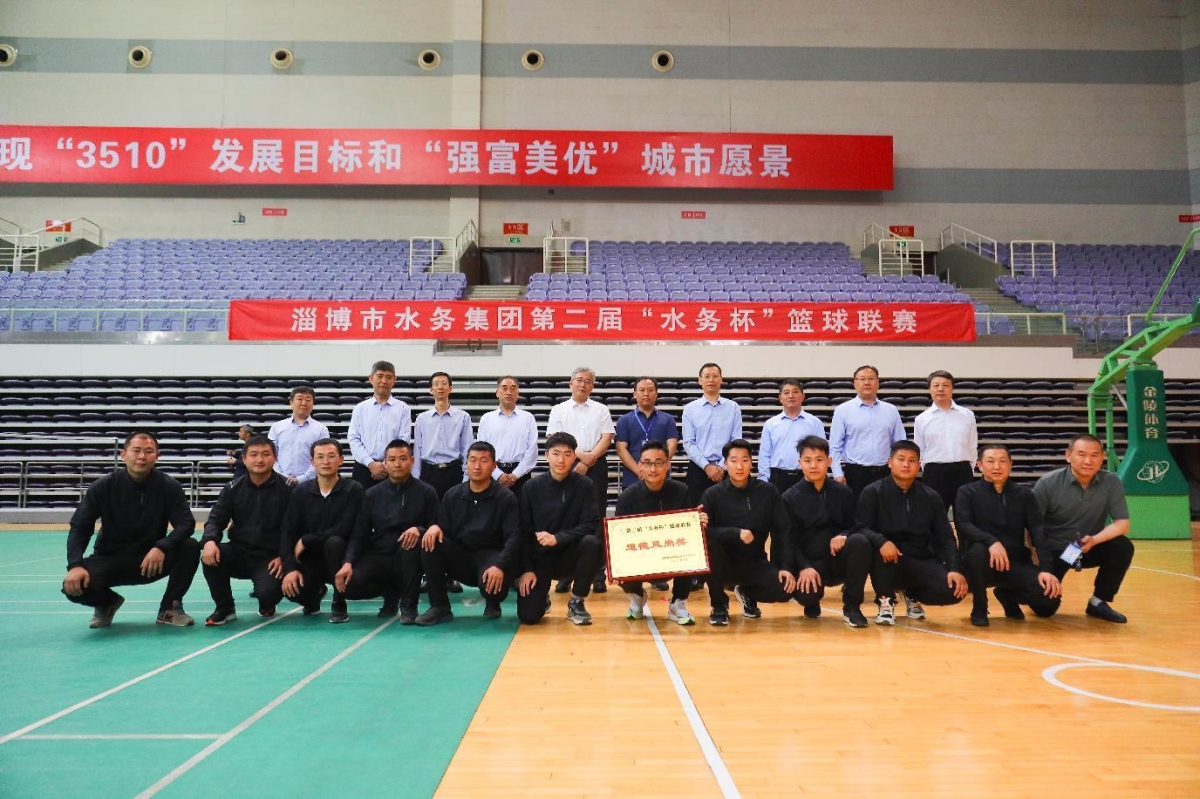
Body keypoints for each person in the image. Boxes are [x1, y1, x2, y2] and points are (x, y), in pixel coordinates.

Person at [62, 431, 199, 628]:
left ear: (157, 456)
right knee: (74, 585)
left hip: (150, 561)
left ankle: (169, 608)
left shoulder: (170, 487)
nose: (142, 456)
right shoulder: (102, 487)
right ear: (123, 454)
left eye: (148, 451)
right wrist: (75, 565)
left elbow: (186, 524)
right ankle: (107, 602)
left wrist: (161, 546)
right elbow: (80, 527)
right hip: (110, 559)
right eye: (136, 450)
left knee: (189, 547)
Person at [780, 435, 891, 629]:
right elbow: (789, 540)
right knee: (807, 596)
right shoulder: (789, 497)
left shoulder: (844, 492)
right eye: (807, 460)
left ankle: (852, 606)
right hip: (811, 565)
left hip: (838, 560)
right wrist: (804, 566)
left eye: (819, 460)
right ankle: (812, 602)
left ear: (829, 461)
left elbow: (857, 525)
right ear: (799, 463)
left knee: (860, 541)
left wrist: (844, 535)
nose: (813, 465)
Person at [856, 440, 967, 624]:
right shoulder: (873, 492)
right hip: (885, 559)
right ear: (890, 462)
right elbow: (860, 527)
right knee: (875, 549)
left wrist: (955, 569)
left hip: (920, 559)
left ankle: (911, 593)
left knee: (953, 590)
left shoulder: (930, 496)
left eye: (912, 460)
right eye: (901, 459)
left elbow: (945, 537)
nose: (906, 464)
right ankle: (885, 601)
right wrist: (882, 541)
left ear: (919, 464)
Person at [333, 439, 439, 625]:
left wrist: (420, 530)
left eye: (403, 459)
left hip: (411, 558)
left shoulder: (427, 492)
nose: (397, 464)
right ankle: (390, 593)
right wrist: (347, 562)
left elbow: (437, 526)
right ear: (385, 463)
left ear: (412, 461)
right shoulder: (372, 494)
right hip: (380, 555)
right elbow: (359, 534)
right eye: (392, 459)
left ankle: (409, 605)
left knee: (411, 546)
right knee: (349, 585)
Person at [416, 441, 521, 625]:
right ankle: (440, 607)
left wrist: (501, 566)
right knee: (430, 542)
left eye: (483, 461)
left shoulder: (506, 497)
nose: (477, 466)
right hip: (461, 557)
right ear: (466, 464)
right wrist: (434, 528)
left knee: (493, 589)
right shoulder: (452, 495)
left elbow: (514, 537)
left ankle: (493, 603)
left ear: (494, 466)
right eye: (472, 460)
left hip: (491, 558)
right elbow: (443, 528)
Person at [1032, 433, 1134, 623]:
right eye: (1081, 454)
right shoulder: (1048, 483)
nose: (1088, 461)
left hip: (1085, 547)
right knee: (1044, 608)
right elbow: (1029, 525)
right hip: (1055, 551)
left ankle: (1098, 602)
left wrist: (1095, 540)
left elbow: (1122, 523)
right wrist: (1036, 559)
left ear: (1102, 457)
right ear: (1068, 455)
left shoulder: (1111, 482)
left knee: (1122, 546)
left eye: (1094, 455)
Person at [956, 444, 1062, 626]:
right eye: (990, 461)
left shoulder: (1024, 494)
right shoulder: (967, 492)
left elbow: (1038, 531)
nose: (997, 466)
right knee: (978, 550)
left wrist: (1046, 569)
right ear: (979, 465)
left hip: (1014, 563)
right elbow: (963, 524)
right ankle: (980, 606)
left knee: (1049, 598)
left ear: (1011, 464)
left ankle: (1006, 595)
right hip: (979, 565)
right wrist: (992, 541)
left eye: (1002, 461)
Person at [701, 439, 803, 626]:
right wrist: (734, 533)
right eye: (733, 461)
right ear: (725, 463)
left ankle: (747, 593)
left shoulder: (768, 492)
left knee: (785, 590)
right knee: (710, 545)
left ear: (751, 462)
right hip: (722, 565)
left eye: (744, 460)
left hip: (755, 562)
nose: (739, 466)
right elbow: (704, 533)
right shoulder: (712, 494)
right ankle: (719, 605)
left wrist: (786, 566)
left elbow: (784, 530)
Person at [200, 434, 292, 624]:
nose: (259, 460)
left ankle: (267, 603)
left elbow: (296, 528)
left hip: (271, 558)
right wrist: (209, 541)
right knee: (211, 556)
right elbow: (215, 520)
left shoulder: (288, 489)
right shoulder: (232, 488)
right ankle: (225, 608)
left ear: (275, 458)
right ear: (244, 458)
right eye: (254, 454)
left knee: (268, 595)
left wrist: (285, 557)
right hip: (239, 552)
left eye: (265, 454)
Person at [515, 433, 603, 625]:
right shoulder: (531, 487)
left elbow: (591, 524)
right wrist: (526, 569)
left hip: (570, 555)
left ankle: (577, 601)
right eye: (556, 454)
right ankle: (542, 596)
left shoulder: (585, 485)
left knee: (591, 542)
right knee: (529, 616)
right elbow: (522, 532)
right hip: (540, 558)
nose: (561, 460)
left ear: (574, 457)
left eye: (567, 454)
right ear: (547, 455)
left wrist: (558, 538)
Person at [615, 440, 704, 626]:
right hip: (641, 556)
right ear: (640, 465)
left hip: (671, 555)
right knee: (617, 558)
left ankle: (678, 603)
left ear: (667, 465)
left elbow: (688, 531)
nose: (653, 469)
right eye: (647, 463)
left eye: (658, 463)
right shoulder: (627, 497)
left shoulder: (681, 491)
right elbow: (619, 538)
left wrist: (697, 523)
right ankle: (637, 596)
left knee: (693, 545)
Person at [546, 366, 615, 594]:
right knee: (567, 516)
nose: (583, 384)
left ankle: (597, 573)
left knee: (597, 517)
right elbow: (554, 438)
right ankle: (567, 574)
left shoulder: (601, 409)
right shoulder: (559, 409)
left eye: (587, 381)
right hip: (566, 464)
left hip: (596, 465)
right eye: (579, 380)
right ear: (570, 383)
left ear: (592, 386)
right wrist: (580, 457)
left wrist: (590, 459)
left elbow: (607, 437)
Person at [279, 438, 364, 618]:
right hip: (311, 558)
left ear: (341, 460)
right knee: (290, 588)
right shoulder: (300, 492)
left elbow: (345, 528)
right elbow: (288, 531)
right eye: (320, 457)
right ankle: (314, 595)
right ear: (312, 462)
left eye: (331, 456)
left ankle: (339, 601)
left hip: (341, 557)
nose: (326, 461)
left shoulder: (353, 489)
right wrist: (290, 568)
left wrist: (307, 539)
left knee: (334, 542)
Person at [829, 365, 906, 501]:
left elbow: (900, 445)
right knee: (857, 512)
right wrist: (837, 474)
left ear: (878, 382)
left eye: (871, 379)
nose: (867, 382)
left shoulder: (891, 410)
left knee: (885, 511)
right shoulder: (843, 410)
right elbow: (835, 446)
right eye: (862, 379)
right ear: (855, 383)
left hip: (885, 473)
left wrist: (900, 471)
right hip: (855, 474)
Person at [913, 370, 978, 512]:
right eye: (936, 385)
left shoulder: (967, 415)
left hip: (962, 471)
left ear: (952, 388)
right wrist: (930, 470)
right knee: (934, 515)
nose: (941, 389)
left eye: (945, 385)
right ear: (930, 389)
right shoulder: (921, 419)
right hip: (934, 473)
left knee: (965, 514)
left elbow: (972, 445)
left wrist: (969, 469)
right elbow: (920, 450)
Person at [681, 362, 743, 507]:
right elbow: (689, 443)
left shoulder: (733, 407)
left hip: (727, 469)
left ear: (721, 379)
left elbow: (736, 440)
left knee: (728, 512)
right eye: (707, 376)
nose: (711, 380)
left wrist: (721, 466)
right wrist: (707, 466)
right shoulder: (690, 409)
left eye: (715, 376)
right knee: (698, 513)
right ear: (700, 380)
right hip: (698, 469)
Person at [347, 360, 413, 490]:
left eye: (388, 377)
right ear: (371, 378)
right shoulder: (360, 408)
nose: (384, 381)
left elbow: (403, 440)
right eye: (380, 376)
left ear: (394, 380)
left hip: (392, 468)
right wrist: (370, 463)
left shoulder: (403, 408)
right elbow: (353, 439)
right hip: (364, 468)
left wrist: (386, 464)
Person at [413, 371, 474, 498]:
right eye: (436, 384)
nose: (440, 387)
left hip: (454, 471)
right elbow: (417, 450)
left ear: (450, 388)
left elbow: (467, 449)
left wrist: (466, 477)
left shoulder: (463, 417)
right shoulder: (422, 419)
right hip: (429, 472)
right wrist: (415, 478)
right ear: (431, 390)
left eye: (444, 383)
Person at [476, 375, 539, 498]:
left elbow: (532, 451)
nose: (508, 392)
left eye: (513, 388)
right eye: (504, 388)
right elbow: (482, 450)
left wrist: (515, 475)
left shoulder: (528, 418)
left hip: (521, 475)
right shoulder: (487, 419)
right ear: (497, 393)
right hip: (493, 474)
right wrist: (498, 475)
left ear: (518, 393)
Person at [758, 379, 825, 494]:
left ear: (803, 396)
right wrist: (764, 480)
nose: (791, 396)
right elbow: (764, 455)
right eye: (786, 392)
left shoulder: (815, 423)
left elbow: (822, 453)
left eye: (795, 392)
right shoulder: (770, 424)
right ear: (780, 398)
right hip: (778, 477)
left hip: (806, 476)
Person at [615, 377, 679, 491]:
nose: (646, 393)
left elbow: (672, 445)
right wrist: (640, 471)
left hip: (660, 478)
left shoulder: (668, 419)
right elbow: (621, 449)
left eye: (650, 390)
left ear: (656, 394)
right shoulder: (624, 420)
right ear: (635, 394)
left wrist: (659, 467)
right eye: (642, 390)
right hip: (633, 478)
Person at [268, 386, 330, 485]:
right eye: (300, 399)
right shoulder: (277, 427)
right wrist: (282, 476)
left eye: (308, 400)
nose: (304, 403)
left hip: (310, 483)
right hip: (279, 483)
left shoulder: (321, 429)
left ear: (313, 404)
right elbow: (270, 455)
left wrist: (303, 478)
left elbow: (322, 457)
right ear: (291, 402)